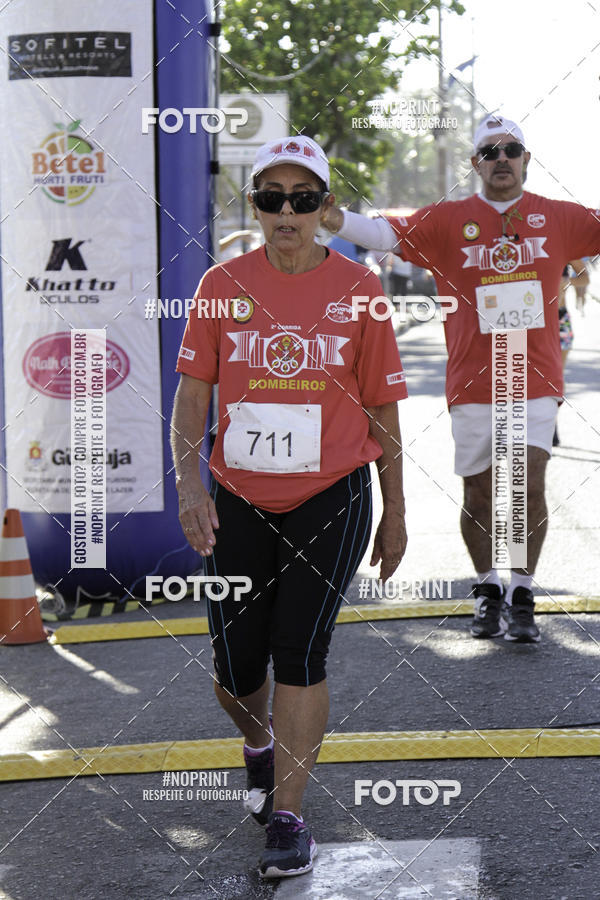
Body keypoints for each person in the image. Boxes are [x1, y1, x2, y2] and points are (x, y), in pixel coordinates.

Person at [170, 135, 408, 879]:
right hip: (239, 498)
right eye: (271, 198)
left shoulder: (361, 290)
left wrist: (395, 511)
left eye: (303, 199)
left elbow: (382, 408)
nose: (286, 212)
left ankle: (289, 816)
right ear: (256, 207)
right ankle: (258, 744)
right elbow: (194, 393)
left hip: (331, 496)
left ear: (325, 209)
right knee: (234, 672)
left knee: (300, 652)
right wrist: (188, 486)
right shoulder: (219, 285)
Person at [321, 114, 600, 644]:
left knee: (526, 485)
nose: (501, 158)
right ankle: (487, 586)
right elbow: (382, 232)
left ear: (526, 160)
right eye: (490, 151)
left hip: (534, 379)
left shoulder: (558, 217)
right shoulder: (448, 220)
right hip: (472, 382)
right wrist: (335, 220)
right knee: (478, 493)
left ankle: (521, 590)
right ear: (475, 164)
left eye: (511, 149)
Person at [554, 260, 588, 445]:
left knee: (557, 374)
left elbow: (585, 278)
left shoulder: (566, 249)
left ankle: (552, 421)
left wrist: (567, 282)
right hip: (536, 320)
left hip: (560, 318)